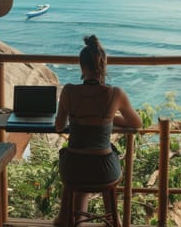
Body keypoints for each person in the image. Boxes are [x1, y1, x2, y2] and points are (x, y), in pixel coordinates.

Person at [54, 35, 143, 226]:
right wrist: (109, 118)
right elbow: (136, 123)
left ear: (81, 66)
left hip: (74, 169)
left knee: (74, 161)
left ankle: (69, 218)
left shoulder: (68, 91)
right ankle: (113, 219)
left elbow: (59, 126)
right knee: (101, 160)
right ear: (104, 66)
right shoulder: (115, 94)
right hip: (104, 171)